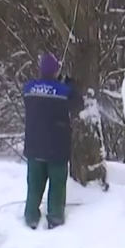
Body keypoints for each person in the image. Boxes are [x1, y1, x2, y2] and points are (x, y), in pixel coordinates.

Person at [22, 52, 79, 229]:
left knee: (34, 186)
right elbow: (78, 104)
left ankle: (31, 217)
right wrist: (70, 84)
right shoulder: (64, 91)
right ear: (56, 71)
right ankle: (55, 218)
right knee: (57, 186)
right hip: (57, 148)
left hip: (34, 146)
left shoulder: (28, 88)